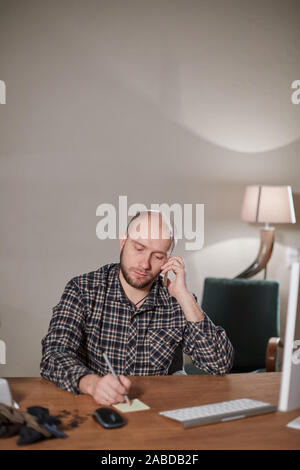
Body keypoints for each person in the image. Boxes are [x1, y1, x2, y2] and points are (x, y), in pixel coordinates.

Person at [40, 210, 234, 406]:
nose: (145, 264)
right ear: (123, 241)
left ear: (167, 261)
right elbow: (53, 355)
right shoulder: (83, 290)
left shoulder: (177, 300)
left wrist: (185, 297)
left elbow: (219, 364)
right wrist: (92, 384)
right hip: (95, 406)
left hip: (156, 409)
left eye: (157, 256)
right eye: (139, 248)